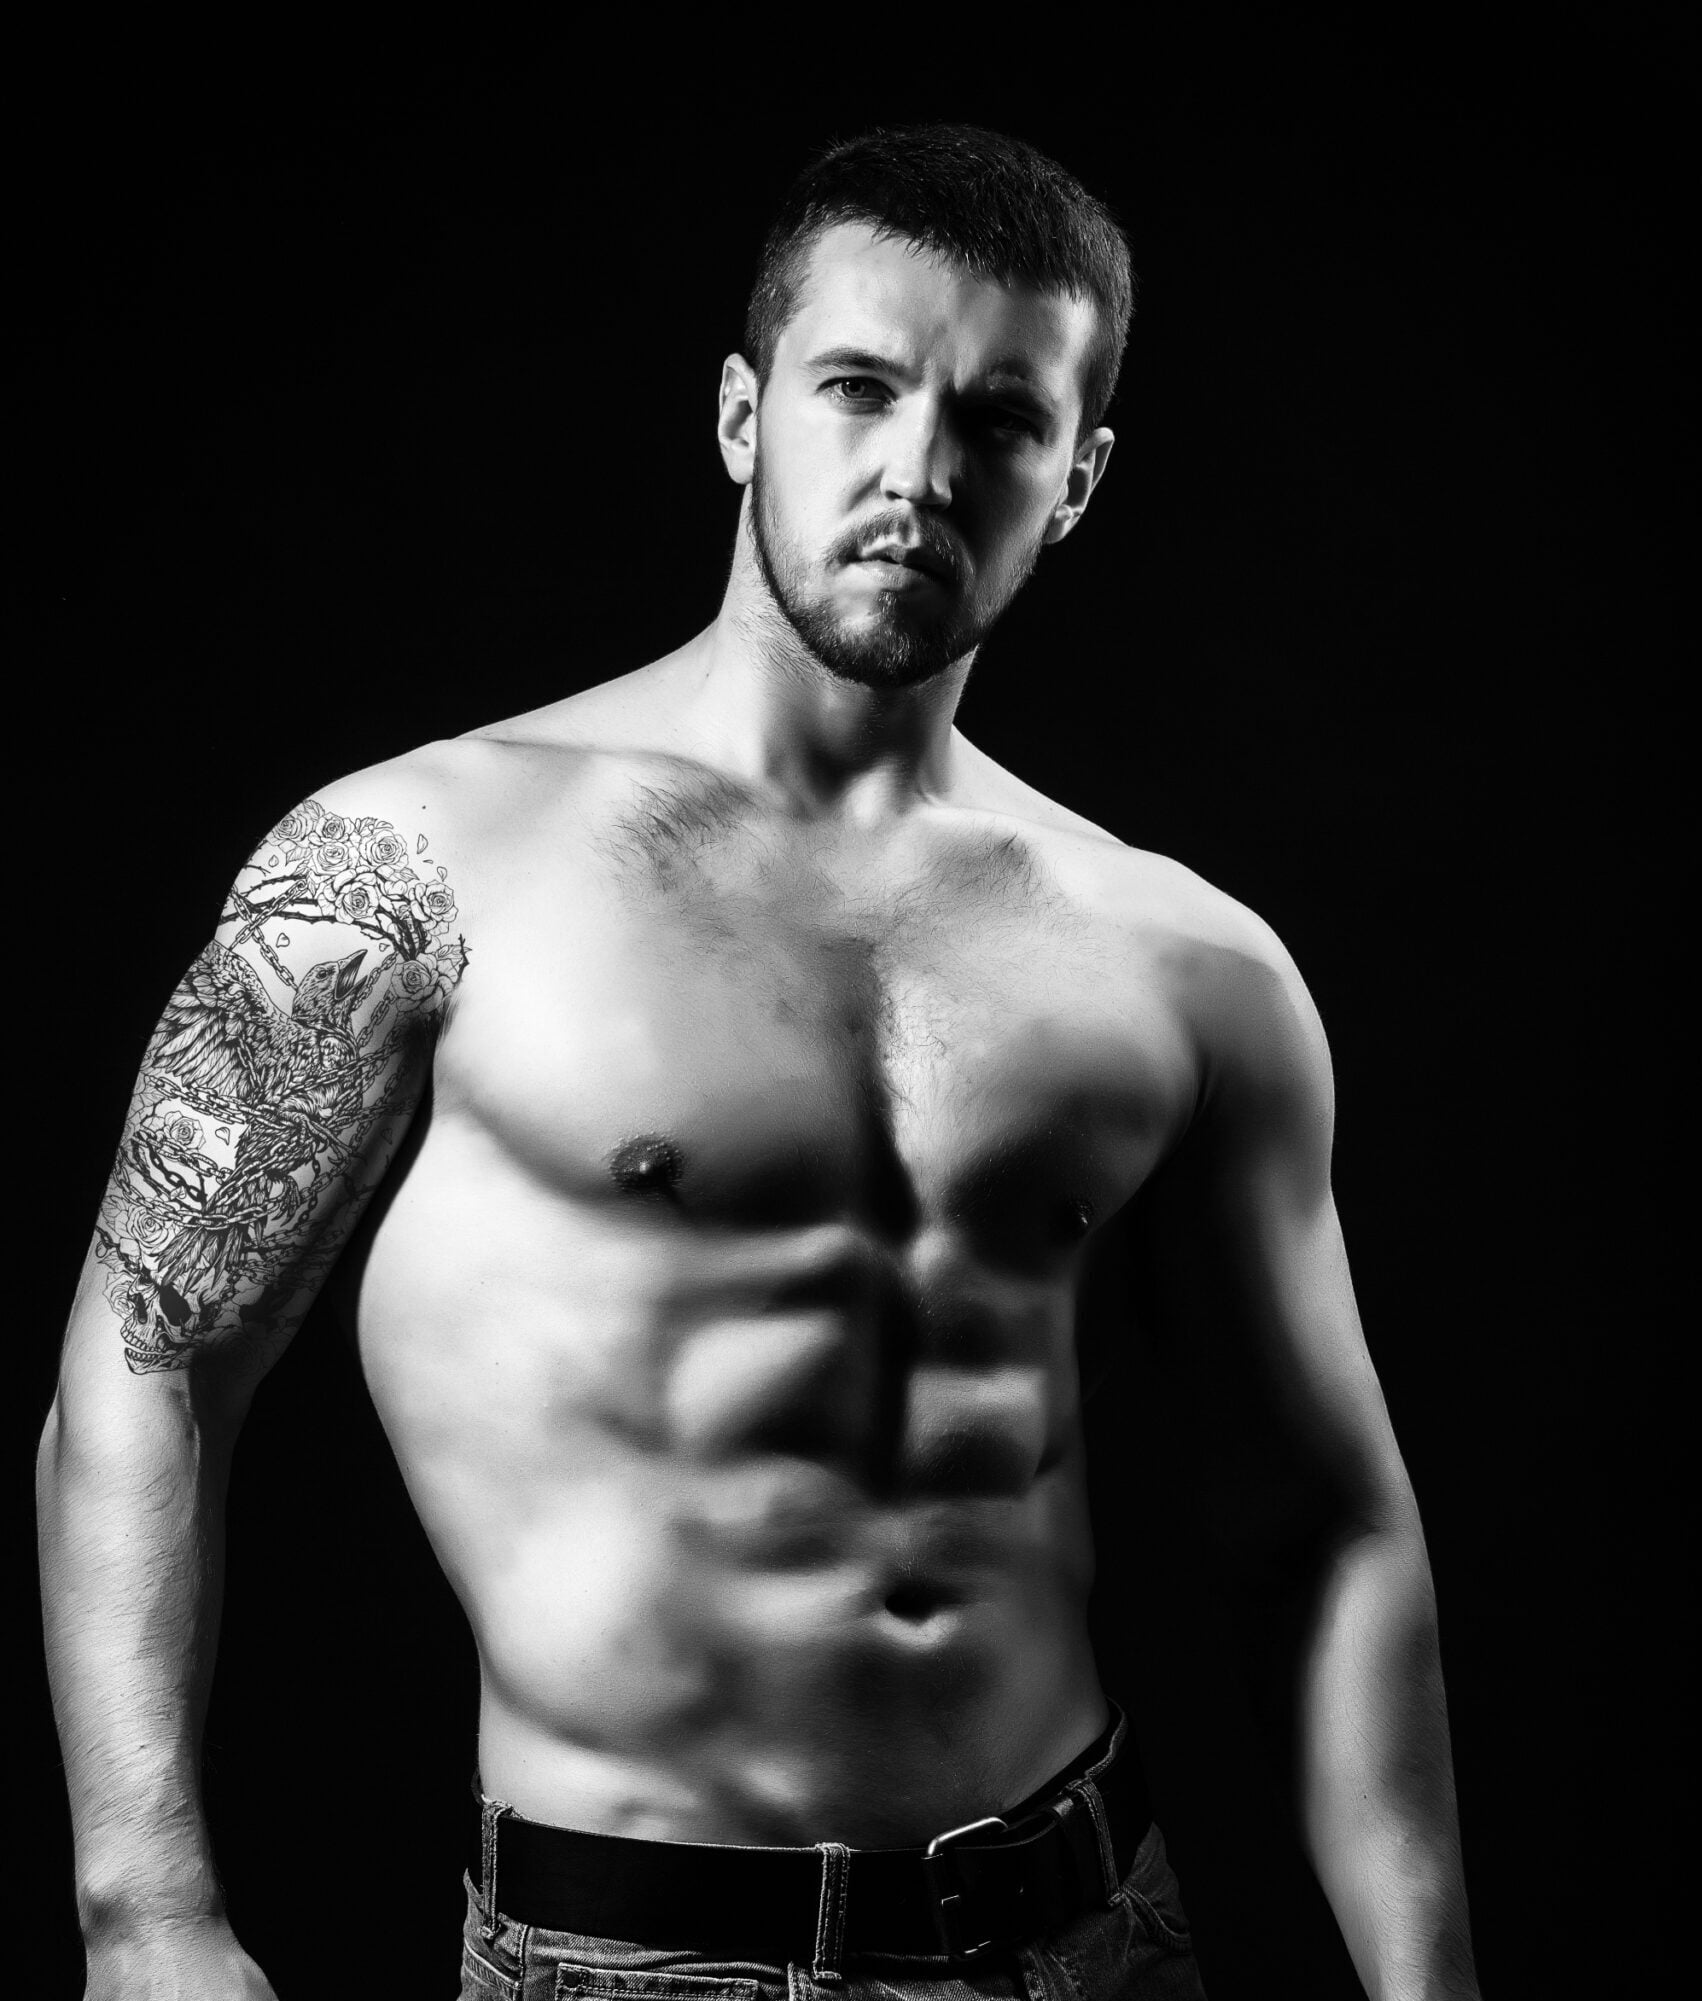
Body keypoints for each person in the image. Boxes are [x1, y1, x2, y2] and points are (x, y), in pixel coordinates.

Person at [37, 124, 1481, 2001]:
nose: (917, 468)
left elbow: (1327, 1519)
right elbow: (143, 1375)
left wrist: (1427, 1977)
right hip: (629, 1957)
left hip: (1087, 1937)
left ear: (1079, 479)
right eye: (858, 389)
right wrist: (144, 1909)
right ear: (742, 416)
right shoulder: (411, 869)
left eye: (999, 420)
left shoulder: (1188, 962)